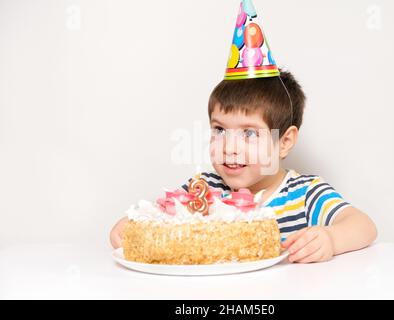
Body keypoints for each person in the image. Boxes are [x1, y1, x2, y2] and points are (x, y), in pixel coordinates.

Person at [110, 0, 377, 263]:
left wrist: (330, 239)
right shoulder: (203, 191)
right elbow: (158, 218)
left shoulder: (305, 194)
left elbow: (363, 226)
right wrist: (131, 228)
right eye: (220, 130)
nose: (230, 147)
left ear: (284, 142)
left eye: (249, 134)